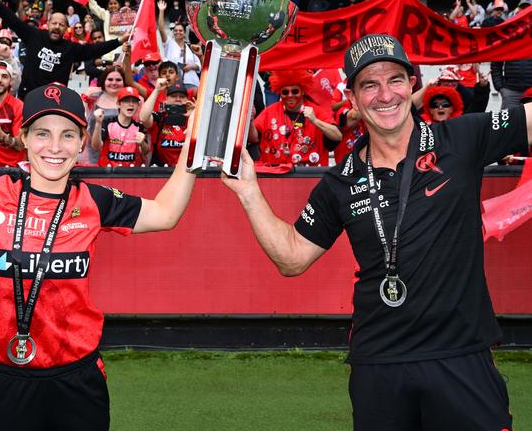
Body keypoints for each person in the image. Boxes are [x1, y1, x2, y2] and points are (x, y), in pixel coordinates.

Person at [223, 33, 531, 430]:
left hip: (462, 355)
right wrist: (249, 191)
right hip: (379, 363)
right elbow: (292, 256)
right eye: (370, 84)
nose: (385, 95)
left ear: (412, 84)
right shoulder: (340, 182)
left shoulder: (462, 138)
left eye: (395, 80)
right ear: (351, 97)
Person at [0, 82, 196, 430]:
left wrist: (193, 139)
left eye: (67, 135)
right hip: (5, 380)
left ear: (80, 144)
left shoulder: (95, 200)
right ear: (25, 137)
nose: (55, 147)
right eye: (43, 133)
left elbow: (166, 213)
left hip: (79, 380)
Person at [0, 0, 125, 99]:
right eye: (54, 23)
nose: (57, 27)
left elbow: (95, 49)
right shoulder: (33, 35)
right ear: (48, 24)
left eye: (61, 24)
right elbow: (11, 18)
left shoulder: (70, 48)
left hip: (54, 101)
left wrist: (119, 41)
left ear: (66, 29)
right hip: (27, 98)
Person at [248, 69, 342, 167]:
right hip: (275, 175)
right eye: (285, 92)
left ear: (302, 92)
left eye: (295, 91)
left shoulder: (316, 112)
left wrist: (315, 121)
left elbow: (338, 135)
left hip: (308, 176)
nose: (290, 95)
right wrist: (250, 121)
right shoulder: (269, 112)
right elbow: (254, 139)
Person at [92, 85, 149, 167]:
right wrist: (98, 123)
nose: (131, 104)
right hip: (108, 174)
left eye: (134, 101)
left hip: (131, 174)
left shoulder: (139, 126)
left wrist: (142, 143)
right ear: (118, 104)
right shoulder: (108, 123)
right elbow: (96, 146)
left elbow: (145, 152)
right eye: (126, 101)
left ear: (138, 105)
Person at [139, 79, 192, 166]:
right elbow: (143, 118)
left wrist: (194, 115)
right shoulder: (161, 118)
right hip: (161, 174)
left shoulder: (194, 119)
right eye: (174, 96)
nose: (178, 99)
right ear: (166, 99)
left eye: (182, 96)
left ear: (187, 99)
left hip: (186, 173)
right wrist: (157, 90)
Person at [157, 0, 201, 89]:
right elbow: (161, 29)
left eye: (180, 30)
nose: (178, 32)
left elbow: (199, 65)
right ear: (173, 32)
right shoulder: (169, 43)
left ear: (184, 33)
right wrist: (161, 11)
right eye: (175, 30)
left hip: (192, 82)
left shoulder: (190, 46)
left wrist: (191, 66)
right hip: (173, 84)